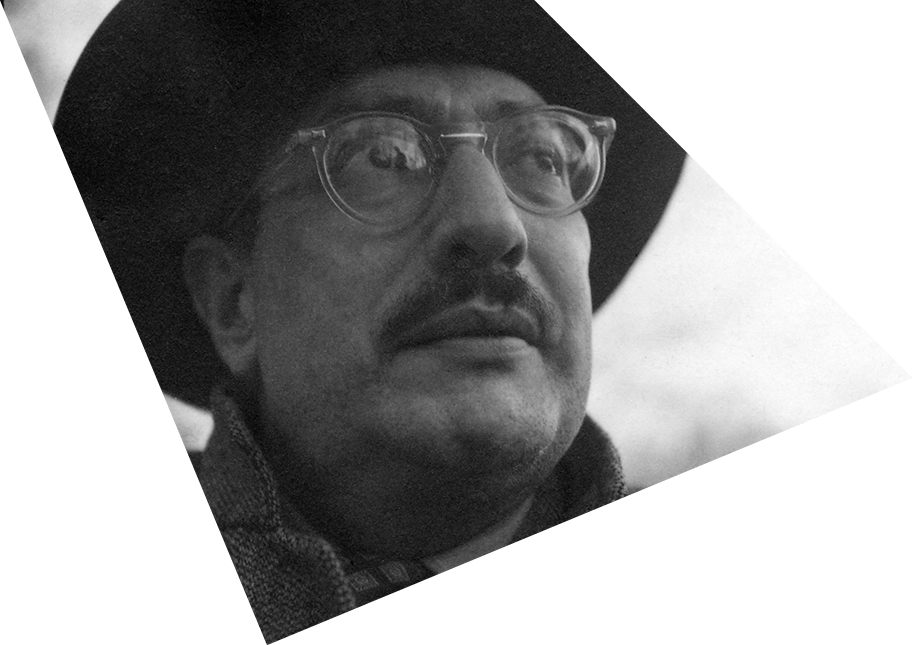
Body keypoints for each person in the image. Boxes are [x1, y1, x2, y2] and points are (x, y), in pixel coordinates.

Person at [8, 0, 911, 642]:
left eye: (543, 157)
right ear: (233, 300)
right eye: (383, 154)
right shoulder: (30, 573)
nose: (493, 224)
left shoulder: (819, 626)